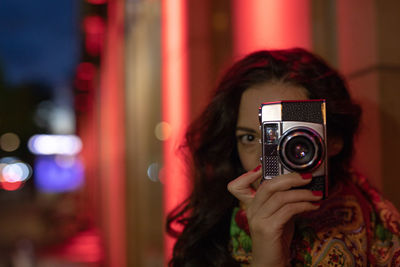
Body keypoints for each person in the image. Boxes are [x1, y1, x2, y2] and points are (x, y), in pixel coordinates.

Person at [166, 48, 400, 266]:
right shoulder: (209, 235)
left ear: (334, 139)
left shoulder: (381, 229)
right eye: (249, 138)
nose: (266, 157)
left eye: (291, 139)